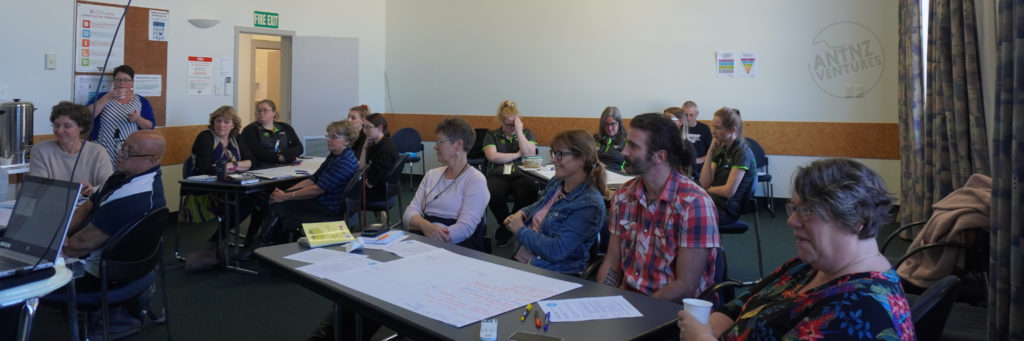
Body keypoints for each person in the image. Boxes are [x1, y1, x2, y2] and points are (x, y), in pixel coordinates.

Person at [677, 159, 915, 341]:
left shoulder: (862, 312)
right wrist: (709, 330)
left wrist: (702, 338)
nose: (791, 221)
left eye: (808, 211)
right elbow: (743, 304)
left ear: (855, 219)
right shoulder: (810, 264)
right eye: (794, 208)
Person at [596, 113, 720, 302]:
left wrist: (637, 310)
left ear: (659, 156)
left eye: (634, 146)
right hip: (628, 304)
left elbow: (685, 287)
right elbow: (612, 262)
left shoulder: (694, 204)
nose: (624, 152)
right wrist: (602, 301)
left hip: (674, 315)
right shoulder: (623, 196)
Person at [60, 130, 166, 338]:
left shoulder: (135, 197)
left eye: (130, 152)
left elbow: (81, 244)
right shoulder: (122, 177)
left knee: (17, 277)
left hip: (95, 276)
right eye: (123, 146)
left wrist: (51, 247)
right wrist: (61, 232)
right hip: (109, 264)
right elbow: (86, 208)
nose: (120, 153)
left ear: (150, 160)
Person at [504, 130, 606, 275]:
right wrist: (523, 213)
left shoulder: (589, 204)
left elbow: (556, 250)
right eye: (553, 153)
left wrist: (520, 230)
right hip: (525, 261)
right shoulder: (558, 182)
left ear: (582, 158)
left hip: (553, 273)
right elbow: (541, 206)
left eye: (559, 154)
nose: (553, 159)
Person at [262, 120, 361, 244]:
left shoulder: (343, 162)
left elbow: (316, 190)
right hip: (324, 202)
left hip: (329, 208)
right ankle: (270, 243)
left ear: (346, 140)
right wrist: (285, 192)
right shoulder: (335, 156)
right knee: (279, 199)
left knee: (279, 204)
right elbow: (313, 179)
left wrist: (285, 196)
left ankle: (265, 243)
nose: (329, 140)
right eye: (328, 136)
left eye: (334, 137)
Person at [184, 106, 259, 270]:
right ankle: (216, 240)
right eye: (218, 121)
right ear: (213, 122)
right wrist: (239, 166)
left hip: (231, 186)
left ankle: (253, 242)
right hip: (205, 190)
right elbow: (206, 168)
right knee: (248, 201)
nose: (221, 125)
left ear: (233, 125)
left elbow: (252, 162)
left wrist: (228, 166)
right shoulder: (205, 137)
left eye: (226, 122)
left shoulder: (236, 138)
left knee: (262, 197)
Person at [403, 116, 489, 246]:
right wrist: (426, 227)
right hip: (426, 239)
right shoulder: (431, 175)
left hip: (458, 247)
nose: (435, 147)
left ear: (458, 145)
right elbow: (408, 213)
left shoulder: (475, 180)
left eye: (440, 141)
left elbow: (465, 228)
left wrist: (426, 229)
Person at [483, 100, 539, 248]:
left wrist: (519, 132)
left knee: (530, 191)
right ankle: (507, 225)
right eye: (509, 125)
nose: (512, 128)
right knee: (491, 192)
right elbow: (492, 157)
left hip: (521, 174)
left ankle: (511, 224)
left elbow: (530, 154)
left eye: (515, 124)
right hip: (498, 175)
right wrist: (516, 155)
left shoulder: (526, 133)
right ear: (501, 121)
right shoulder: (492, 135)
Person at [29, 101, 113, 196]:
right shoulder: (41, 150)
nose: (60, 130)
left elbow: (108, 185)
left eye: (67, 126)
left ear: (81, 127)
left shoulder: (98, 151)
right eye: (56, 125)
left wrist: (91, 190)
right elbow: (37, 188)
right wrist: (74, 190)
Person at [86, 64, 157, 165]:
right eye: (118, 79)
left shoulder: (142, 101)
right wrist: (107, 97)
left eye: (126, 80)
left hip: (131, 150)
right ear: (113, 81)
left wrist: (138, 119)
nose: (121, 83)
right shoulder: (103, 96)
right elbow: (87, 116)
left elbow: (150, 126)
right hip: (103, 149)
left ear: (132, 83)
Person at [698, 107, 755, 225]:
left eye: (718, 128)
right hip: (713, 201)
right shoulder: (721, 149)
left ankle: (711, 243)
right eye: (712, 126)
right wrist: (710, 151)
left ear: (732, 130)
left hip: (727, 210)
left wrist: (704, 190)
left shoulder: (741, 152)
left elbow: (728, 191)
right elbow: (705, 182)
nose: (713, 131)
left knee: (689, 214)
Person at [350, 113, 400, 221]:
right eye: (364, 127)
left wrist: (353, 184)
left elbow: (370, 184)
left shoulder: (384, 150)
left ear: (380, 128)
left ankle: (348, 225)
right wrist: (364, 147)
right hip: (379, 187)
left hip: (379, 193)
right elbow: (361, 167)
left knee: (343, 193)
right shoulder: (377, 144)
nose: (364, 131)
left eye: (368, 127)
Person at [240, 99, 303, 168]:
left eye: (265, 110)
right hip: (262, 168)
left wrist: (286, 155)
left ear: (274, 112)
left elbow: (299, 147)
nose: (261, 112)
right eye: (258, 110)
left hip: (287, 165)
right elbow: (257, 153)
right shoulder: (250, 129)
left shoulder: (285, 127)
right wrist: (279, 158)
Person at [665, 106, 698, 177]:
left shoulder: (686, 147)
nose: (664, 122)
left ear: (680, 122)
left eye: (668, 119)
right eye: (663, 119)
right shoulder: (662, 143)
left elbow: (691, 173)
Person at [683, 101, 712, 176]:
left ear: (697, 113)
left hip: (700, 169)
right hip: (682, 168)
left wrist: (700, 160)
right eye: (685, 115)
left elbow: (712, 151)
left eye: (691, 115)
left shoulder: (704, 129)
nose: (688, 118)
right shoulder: (679, 128)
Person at [593, 106, 627, 172]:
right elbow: (589, 157)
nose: (609, 128)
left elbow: (633, 164)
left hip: (618, 175)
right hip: (598, 173)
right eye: (606, 124)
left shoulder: (627, 140)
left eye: (613, 124)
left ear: (619, 124)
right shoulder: (596, 138)